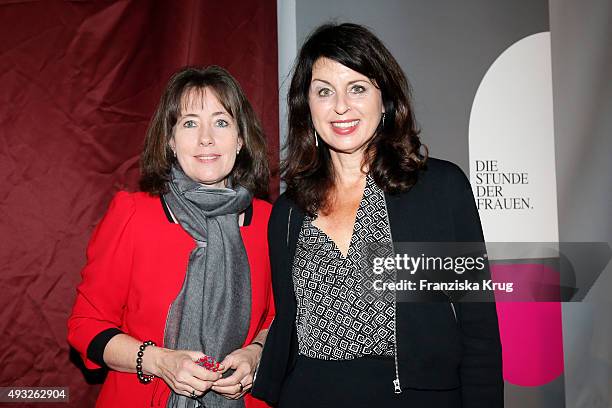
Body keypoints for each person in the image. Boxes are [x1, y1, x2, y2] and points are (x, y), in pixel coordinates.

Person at [251, 23, 503, 407]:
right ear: (307, 107)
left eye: (357, 88)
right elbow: (286, 326)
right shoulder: (288, 212)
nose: (340, 106)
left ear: (383, 99)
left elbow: (479, 330)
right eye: (324, 91)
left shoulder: (439, 189)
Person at [68, 66, 274, 408]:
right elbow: (85, 326)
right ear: (170, 139)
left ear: (240, 140)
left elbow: (282, 319)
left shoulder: (270, 222)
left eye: (221, 122)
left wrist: (256, 354)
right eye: (190, 123)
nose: (206, 138)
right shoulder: (133, 214)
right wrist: (161, 362)